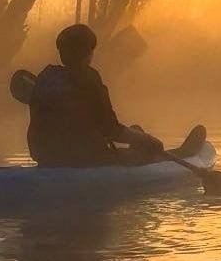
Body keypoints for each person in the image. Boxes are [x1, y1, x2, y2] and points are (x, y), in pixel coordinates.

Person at [25, 24, 166, 167]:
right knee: (140, 139)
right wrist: (149, 140)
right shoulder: (89, 79)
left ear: (61, 53)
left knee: (135, 133)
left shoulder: (46, 76)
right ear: (88, 54)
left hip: (45, 158)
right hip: (86, 160)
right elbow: (112, 131)